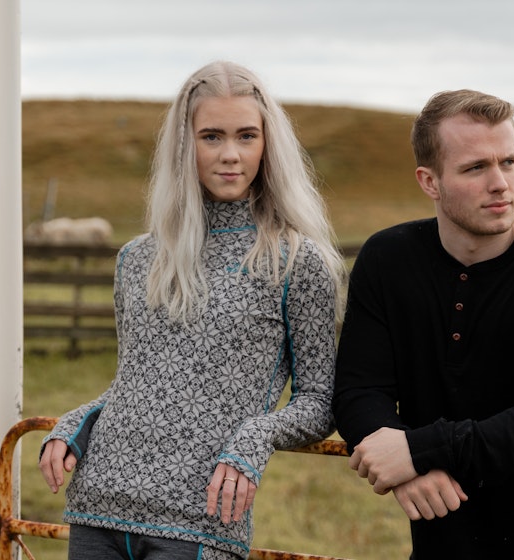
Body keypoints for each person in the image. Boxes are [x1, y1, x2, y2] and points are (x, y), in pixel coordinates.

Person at [38, 61, 342, 560]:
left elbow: (320, 401)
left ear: (268, 145)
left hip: (199, 522)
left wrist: (257, 435)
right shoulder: (136, 259)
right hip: (97, 507)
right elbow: (137, 380)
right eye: (211, 136)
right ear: (185, 145)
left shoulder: (295, 261)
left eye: (246, 136)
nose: (230, 154)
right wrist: (82, 417)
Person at [332, 89, 514, 559]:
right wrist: (408, 468)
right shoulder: (387, 260)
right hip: (443, 542)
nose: (500, 183)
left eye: (509, 162)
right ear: (430, 181)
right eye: (475, 168)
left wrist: (419, 451)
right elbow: (358, 390)